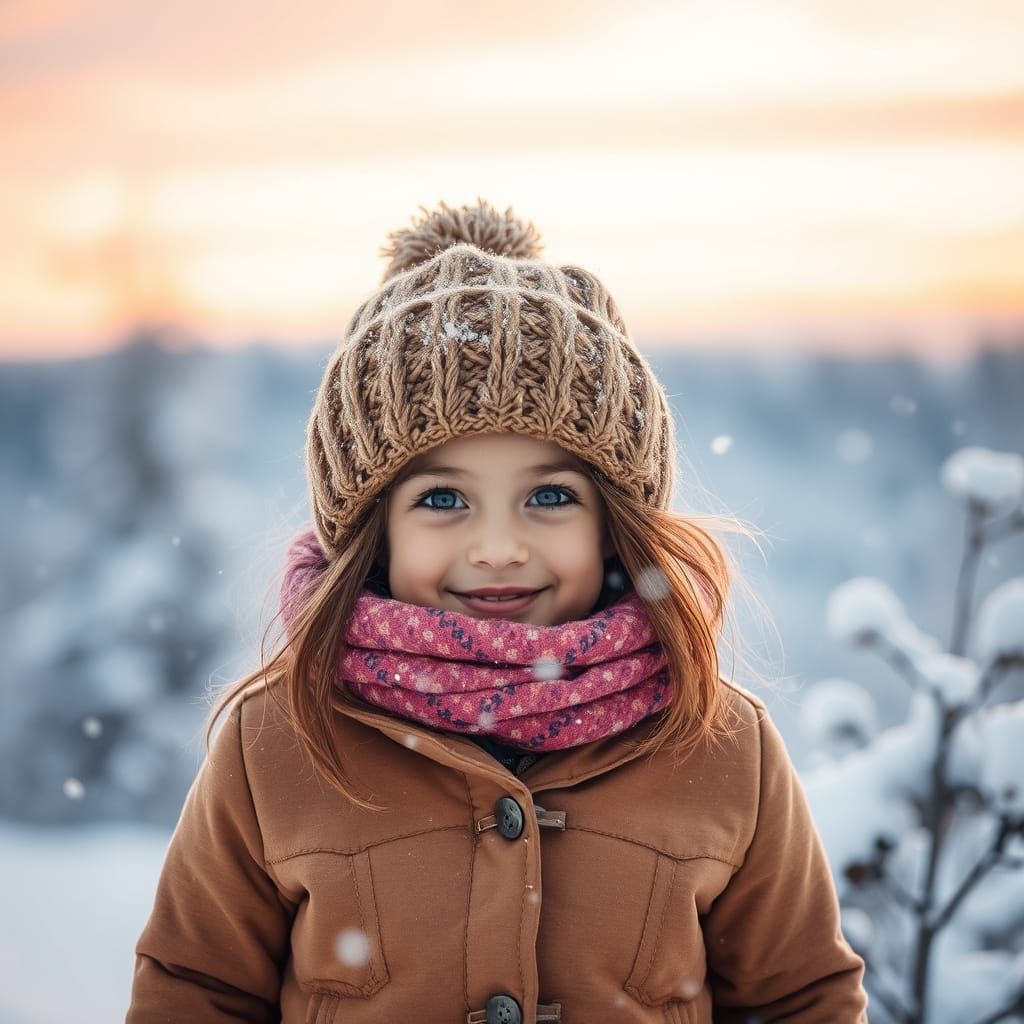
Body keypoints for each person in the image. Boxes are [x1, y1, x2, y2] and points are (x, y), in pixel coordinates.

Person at [126, 198, 869, 1023]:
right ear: (375, 534)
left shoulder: (722, 745)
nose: (499, 547)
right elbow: (196, 991)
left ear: (613, 523)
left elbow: (800, 1000)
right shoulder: (277, 742)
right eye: (443, 498)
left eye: (548, 495)